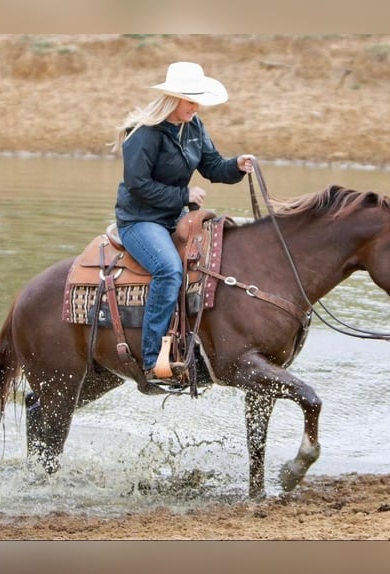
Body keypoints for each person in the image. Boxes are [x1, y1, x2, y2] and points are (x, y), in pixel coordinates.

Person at [113, 61, 254, 382]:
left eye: (197, 99)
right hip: (140, 219)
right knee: (169, 270)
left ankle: (197, 346)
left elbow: (213, 165)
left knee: (219, 261)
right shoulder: (144, 133)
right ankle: (152, 360)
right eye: (190, 99)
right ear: (173, 98)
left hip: (175, 217)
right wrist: (183, 196)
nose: (196, 105)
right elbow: (137, 184)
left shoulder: (194, 127)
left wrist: (237, 165)